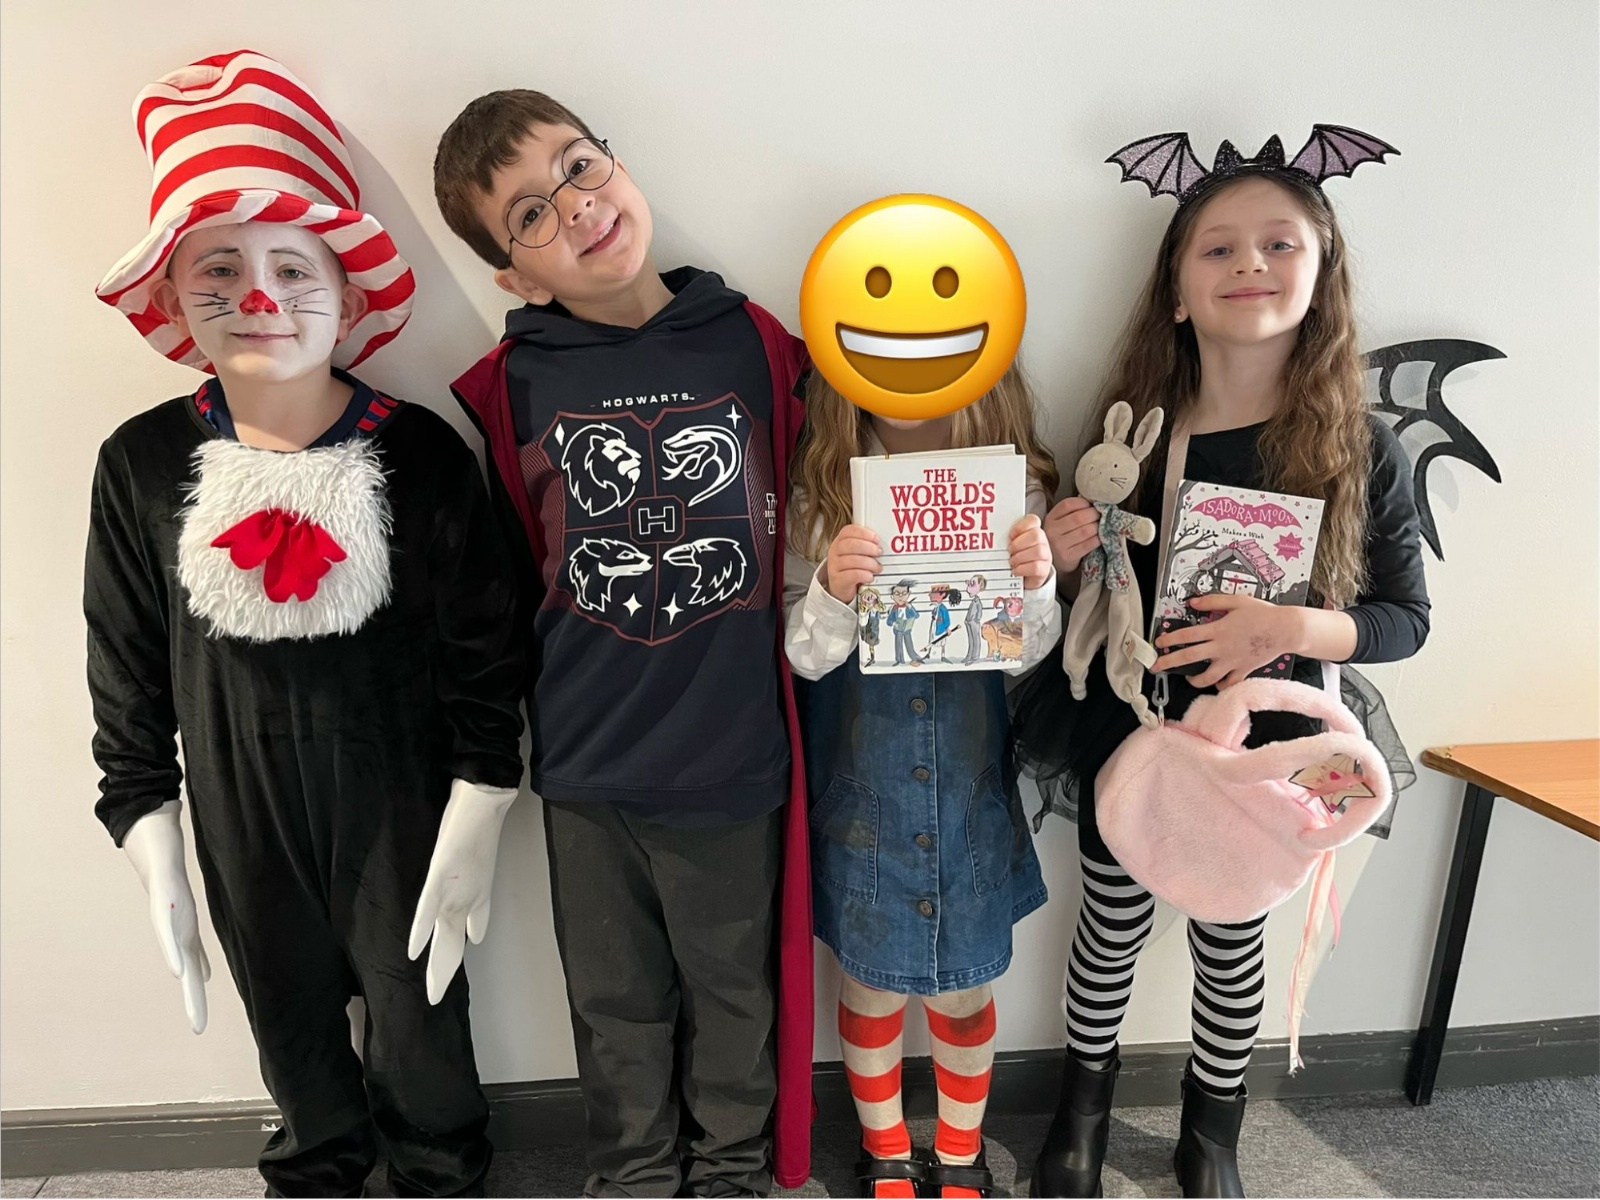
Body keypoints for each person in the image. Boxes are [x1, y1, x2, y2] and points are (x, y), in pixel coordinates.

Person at [87, 50, 525, 1197]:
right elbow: (124, 664)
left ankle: (438, 1166)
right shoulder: (140, 462)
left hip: (400, 794)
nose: (261, 295)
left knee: (420, 1007)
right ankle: (319, 1161)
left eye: (292, 265)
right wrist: (147, 827)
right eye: (219, 267)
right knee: (283, 1011)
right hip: (238, 799)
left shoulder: (421, 453)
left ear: (350, 291)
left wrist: (482, 797)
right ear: (174, 295)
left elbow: (484, 647)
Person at [1014, 127, 1430, 1198]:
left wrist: (1286, 629)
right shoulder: (1134, 439)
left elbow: (1404, 619)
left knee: (1231, 934)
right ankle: (1080, 1114)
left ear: (1323, 274)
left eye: (1280, 243)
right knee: (1107, 925)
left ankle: (1213, 1132)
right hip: (1136, 722)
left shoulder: (1358, 443)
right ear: (1176, 291)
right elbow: (1096, 594)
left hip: (1271, 741)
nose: (1250, 263)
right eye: (1218, 248)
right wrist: (1066, 557)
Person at [432, 89, 813, 1196]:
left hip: (733, 754)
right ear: (514, 276)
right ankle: (633, 1176)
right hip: (589, 764)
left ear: (617, 163)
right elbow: (514, 581)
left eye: (578, 168)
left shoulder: (757, 343)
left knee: (735, 996)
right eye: (529, 215)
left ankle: (732, 1175)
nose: (575, 209)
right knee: (614, 1006)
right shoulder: (509, 387)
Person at [784, 364, 1062, 1198]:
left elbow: (1027, 653)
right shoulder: (821, 497)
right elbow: (801, 658)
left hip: (966, 796)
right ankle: (885, 1150)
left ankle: (960, 1150)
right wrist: (833, 589)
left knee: (966, 983)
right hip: (866, 796)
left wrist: (1036, 582)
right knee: (869, 982)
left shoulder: (1011, 489)